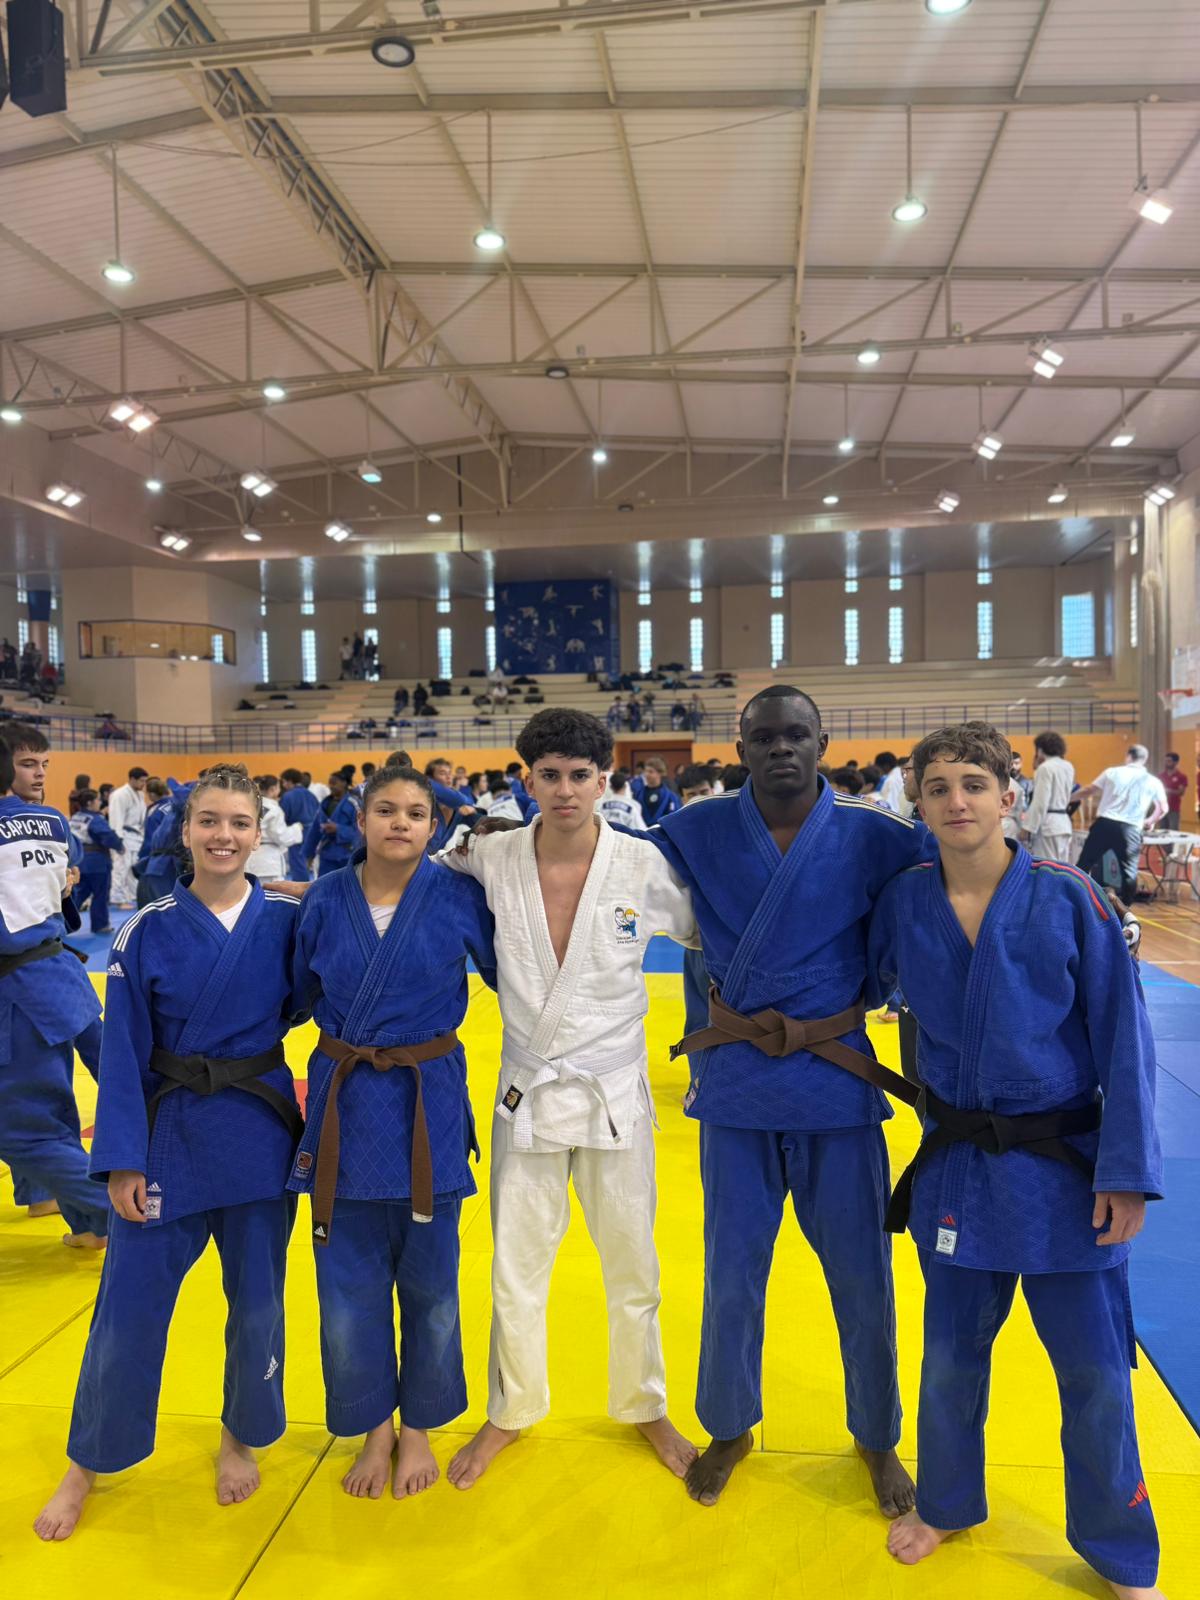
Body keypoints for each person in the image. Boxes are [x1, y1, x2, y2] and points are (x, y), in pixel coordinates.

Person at [867, 721, 1166, 1600]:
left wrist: (1126, 1173)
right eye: (937, 788)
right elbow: (851, 983)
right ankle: (947, 1504)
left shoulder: (1071, 897)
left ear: (1009, 796)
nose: (956, 801)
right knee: (950, 1359)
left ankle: (1120, 1552)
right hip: (959, 1167)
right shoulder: (904, 899)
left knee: (1096, 1373)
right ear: (918, 804)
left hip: (1066, 1172)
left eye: (973, 784)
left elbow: (1125, 1040)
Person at [642, 686, 928, 1513]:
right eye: (763, 737)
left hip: (836, 1081)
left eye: (796, 735)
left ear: (822, 742)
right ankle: (729, 1426)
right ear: (739, 747)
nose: (780, 749)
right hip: (737, 1084)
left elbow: (926, 919)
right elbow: (600, 868)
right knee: (731, 1272)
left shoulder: (881, 836)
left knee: (863, 1277)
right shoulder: (694, 830)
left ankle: (877, 1436)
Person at [34, 766, 305, 1542]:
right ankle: (89, 1460)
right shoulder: (145, 928)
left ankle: (241, 1436)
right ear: (184, 831)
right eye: (209, 821)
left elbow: (329, 994)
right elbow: (121, 1050)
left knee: (258, 1304)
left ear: (258, 833)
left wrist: (324, 899)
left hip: (258, 1134)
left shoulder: (285, 923)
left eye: (239, 823)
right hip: (168, 1138)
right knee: (128, 1308)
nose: (224, 835)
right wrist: (123, 1158)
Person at [438, 708, 700, 1490]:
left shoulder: (640, 864)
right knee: (515, 1264)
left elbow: (713, 932)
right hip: (528, 1088)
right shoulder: (488, 855)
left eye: (580, 776)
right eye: (548, 775)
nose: (564, 790)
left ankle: (646, 1405)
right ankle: (510, 1410)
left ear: (604, 780)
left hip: (614, 1088)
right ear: (526, 780)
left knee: (633, 1262)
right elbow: (403, 875)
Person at [287, 767, 496, 1501]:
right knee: (347, 1287)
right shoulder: (323, 900)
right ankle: (374, 1428)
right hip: (345, 1103)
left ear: (435, 827)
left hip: (425, 1102)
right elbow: (292, 993)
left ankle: (421, 1428)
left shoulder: (461, 897)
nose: (399, 822)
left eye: (414, 812)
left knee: (433, 1283)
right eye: (385, 809)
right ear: (361, 818)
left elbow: (516, 977)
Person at [0, 735, 107, 1251]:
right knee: (49, 1099)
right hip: (59, 978)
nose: (39, 773)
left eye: (44, 763)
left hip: (20, 989)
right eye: (29, 763)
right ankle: (80, 1217)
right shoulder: (54, 822)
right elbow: (63, 887)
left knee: (22, 1130)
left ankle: (117, 1210)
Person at [1075, 745, 1168, 905]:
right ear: (1145, 759)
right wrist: (1150, 821)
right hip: (1130, 828)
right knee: (1129, 873)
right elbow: (1163, 808)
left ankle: (1075, 897)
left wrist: (1068, 798)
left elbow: (1089, 790)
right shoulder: (1153, 781)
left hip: (1105, 824)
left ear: (1128, 756)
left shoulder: (1112, 772)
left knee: (1084, 863)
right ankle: (1126, 908)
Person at [69, 790, 124, 934]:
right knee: (100, 894)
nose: (100, 802)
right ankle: (100, 925)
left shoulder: (75, 817)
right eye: (97, 800)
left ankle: (65, 922)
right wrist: (119, 846)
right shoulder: (95, 819)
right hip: (97, 862)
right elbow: (108, 836)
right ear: (90, 803)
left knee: (79, 893)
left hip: (78, 861)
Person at [1021, 731, 1076, 862]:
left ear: (1040, 749)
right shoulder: (1068, 766)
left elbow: (1040, 803)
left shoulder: (1045, 768)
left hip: (1048, 826)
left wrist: (1028, 828)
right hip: (1064, 823)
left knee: (1047, 867)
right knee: (1063, 867)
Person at [107, 767, 149, 908]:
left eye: (145, 781)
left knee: (133, 869)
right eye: (141, 781)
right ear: (132, 779)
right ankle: (118, 900)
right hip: (123, 836)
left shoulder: (140, 795)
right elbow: (115, 819)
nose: (143, 784)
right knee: (120, 868)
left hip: (136, 836)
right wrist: (117, 841)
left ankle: (133, 896)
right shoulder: (119, 795)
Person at [248, 776, 304, 881]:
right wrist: (296, 828)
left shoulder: (250, 806)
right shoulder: (274, 810)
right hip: (268, 861)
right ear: (273, 789)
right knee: (271, 891)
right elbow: (281, 836)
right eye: (279, 787)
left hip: (249, 859)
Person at [304, 772, 359, 877]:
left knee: (349, 885)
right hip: (327, 854)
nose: (331, 786)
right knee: (325, 884)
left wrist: (338, 829)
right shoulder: (325, 804)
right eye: (329, 783)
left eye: (334, 783)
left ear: (344, 783)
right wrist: (309, 855)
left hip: (348, 854)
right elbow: (315, 831)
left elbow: (361, 830)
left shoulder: (354, 804)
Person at [279, 769, 320, 881]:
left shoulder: (288, 796)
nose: (283, 785)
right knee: (309, 864)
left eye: (284, 782)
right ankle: (309, 887)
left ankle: (300, 889)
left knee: (297, 863)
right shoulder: (311, 795)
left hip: (297, 832)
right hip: (312, 832)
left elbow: (281, 817)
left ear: (289, 781)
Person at [638, 756, 681, 826]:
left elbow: (674, 818)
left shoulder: (670, 796)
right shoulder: (638, 794)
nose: (646, 774)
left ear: (660, 773)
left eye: (650, 772)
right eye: (645, 771)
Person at [1158, 752, 1188, 832]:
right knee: (1161, 832)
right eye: (1165, 761)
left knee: (1173, 832)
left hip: (1174, 809)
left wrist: (1168, 791)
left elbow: (1181, 792)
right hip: (1161, 808)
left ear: (1176, 762)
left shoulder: (1181, 776)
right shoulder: (1161, 776)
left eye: (1169, 761)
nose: (1166, 763)